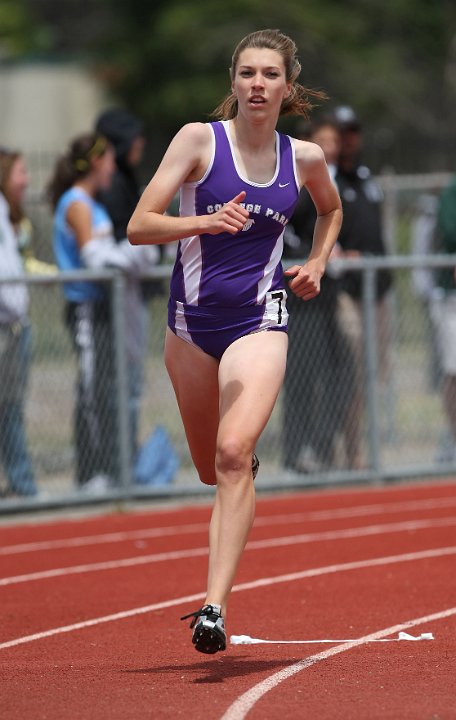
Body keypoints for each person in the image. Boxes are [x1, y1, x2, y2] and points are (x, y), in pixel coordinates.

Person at [128, 28, 342, 654]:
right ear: (233, 82)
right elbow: (140, 225)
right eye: (247, 73)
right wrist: (204, 219)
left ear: (286, 86)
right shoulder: (199, 140)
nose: (257, 84)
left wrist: (319, 262)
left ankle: (213, 607)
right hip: (191, 326)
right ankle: (236, 475)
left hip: (261, 318)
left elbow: (329, 210)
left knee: (231, 452)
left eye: (269, 74)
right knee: (209, 467)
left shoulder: (304, 159)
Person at [48, 132, 159, 492]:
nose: (113, 168)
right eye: (109, 160)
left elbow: (106, 252)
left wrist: (132, 254)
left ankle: (109, 468)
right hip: (86, 307)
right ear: (96, 162)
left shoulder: (92, 203)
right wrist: (130, 255)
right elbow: (92, 257)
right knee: (92, 391)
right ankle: (90, 472)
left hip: (104, 308)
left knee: (108, 388)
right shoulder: (77, 202)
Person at [283, 116, 355, 472]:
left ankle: (324, 445)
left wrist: (335, 253)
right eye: (320, 141)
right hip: (298, 293)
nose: (327, 148)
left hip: (331, 291)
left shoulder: (342, 182)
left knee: (341, 370)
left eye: (333, 141)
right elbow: (283, 231)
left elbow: (337, 217)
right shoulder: (291, 181)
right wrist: (312, 257)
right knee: (301, 373)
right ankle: (298, 450)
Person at [334, 105, 392, 469]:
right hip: (348, 291)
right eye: (342, 132)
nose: (348, 138)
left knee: (376, 373)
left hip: (378, 290)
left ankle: (371, 449)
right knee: (352, 373)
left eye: (353, 130)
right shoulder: (329, 178)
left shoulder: (367, 178)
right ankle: (352, 451)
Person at [94, 108, 151, 461]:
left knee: (130, 384)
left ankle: (126, 460)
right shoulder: (112, 185)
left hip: (132, 295)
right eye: (134, 139)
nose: (140, 146)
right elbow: (122, 240)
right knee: (110, 386)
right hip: (109, 302)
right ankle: (114, 464)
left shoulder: (127, 179)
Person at [0, 147, 38, 497]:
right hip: (7, 326)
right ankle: (23, 482)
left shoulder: (10, 215)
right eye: (20, 173)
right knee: (8, 407)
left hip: (13, 324)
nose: (26, 180)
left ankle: (21, 481)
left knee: (10, 406)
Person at [435, 173, 456, 461]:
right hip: (452, 297)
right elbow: (450, 229)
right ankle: (453, 438)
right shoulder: (451, 193)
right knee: (453, 371)